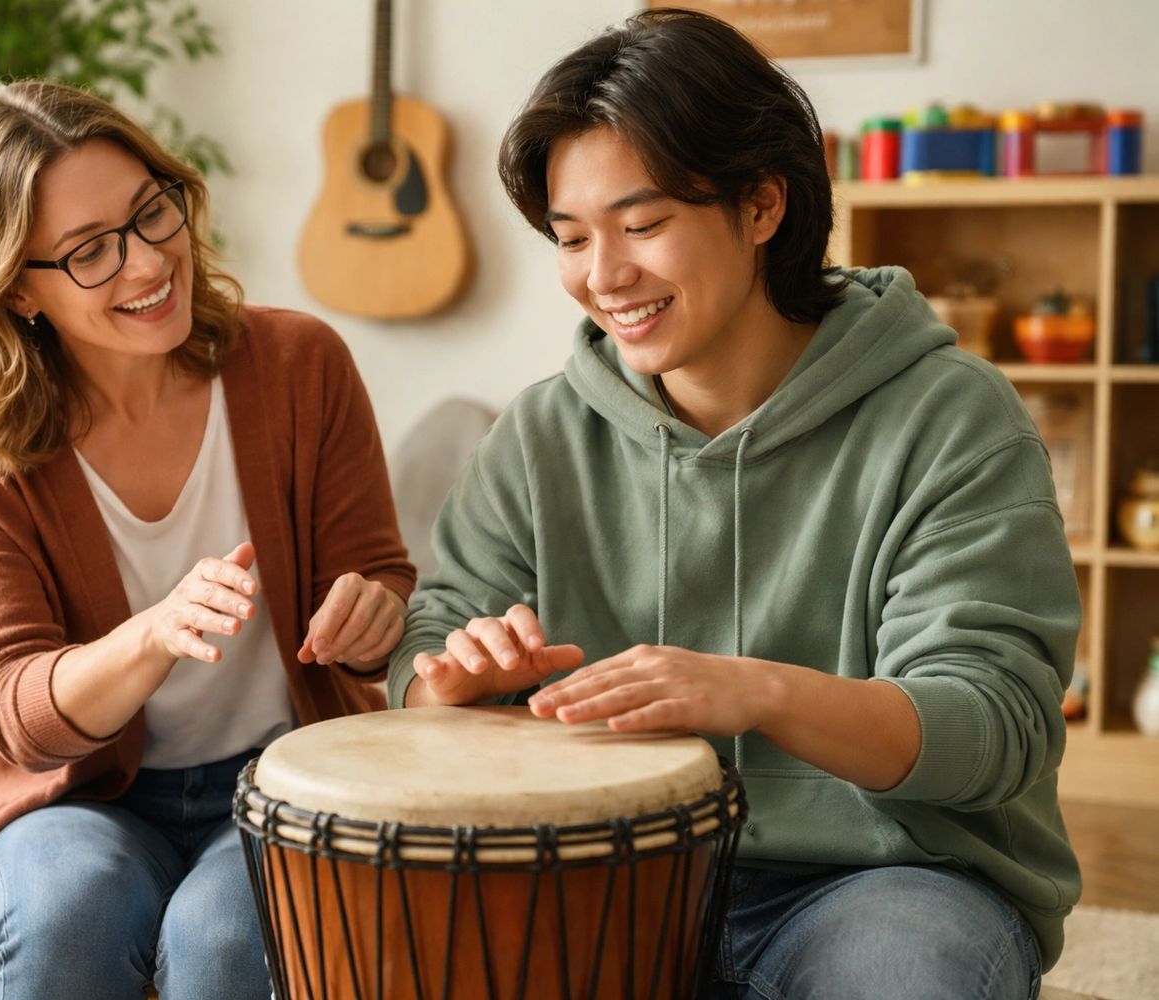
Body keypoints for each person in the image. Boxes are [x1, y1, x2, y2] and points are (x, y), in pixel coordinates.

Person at [387, 9, 1080, 998]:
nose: (604, 274)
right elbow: (425, 639)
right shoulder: (540, 435)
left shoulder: (950, 416)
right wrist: (442, 682)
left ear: (762, 206)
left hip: (892, 876)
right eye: (573, 236)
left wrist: (761, 691)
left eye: (643, 224)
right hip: (608, 867)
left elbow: (995, 723)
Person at [0, 80, 413, 998]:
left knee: (221, 944)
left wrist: (373, 613)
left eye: (151, 214)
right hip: (70, 795)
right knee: (73, 911)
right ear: (17, 287)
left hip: (283, 775)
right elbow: (15, 713)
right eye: (90, 252)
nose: (146, 264)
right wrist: (153, 631)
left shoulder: (301, 365)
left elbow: (376, 572)